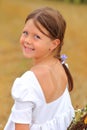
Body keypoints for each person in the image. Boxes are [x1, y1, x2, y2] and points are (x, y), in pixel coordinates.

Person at [4, 7, 75, 130]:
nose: (27, 40)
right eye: (25, 33)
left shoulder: (28, 83)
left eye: (37, 37)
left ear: (54, 44)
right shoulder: (61, 66)